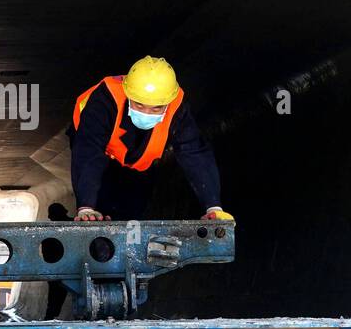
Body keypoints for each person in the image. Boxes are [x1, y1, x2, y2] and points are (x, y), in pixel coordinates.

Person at [69, 55, 232, 223]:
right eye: (139, 105)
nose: (146, 113)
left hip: (138, 165)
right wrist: (86, 207)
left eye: (156, 108)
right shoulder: (105, 99)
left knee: (133, 214)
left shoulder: (177, 108)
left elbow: (194, 152)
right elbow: (88, 150)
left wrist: (213, 207)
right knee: (100, 209)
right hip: (102, 155)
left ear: (167, 102)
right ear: (128, 93)